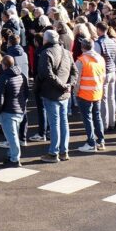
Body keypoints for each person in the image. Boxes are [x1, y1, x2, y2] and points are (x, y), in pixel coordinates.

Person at [37, 29, 77, 163]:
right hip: (65, 94)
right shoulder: (66, 52)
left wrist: (62, 85)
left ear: (46, 40)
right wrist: (69, 85)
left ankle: (53, 153)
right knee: (63, 122)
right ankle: (64, 151)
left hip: (52, 93)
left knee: (54, 124)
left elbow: (47, 74)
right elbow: (74, 71)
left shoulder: (46, 53)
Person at [73, 37, 106, 152]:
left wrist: (75, 92)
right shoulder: (100, 59)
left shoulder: (81, 60)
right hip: (97, 92)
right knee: (97, 117)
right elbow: (103, 76)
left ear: (82, 48)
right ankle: (101, 141)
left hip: (84, 93)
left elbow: (76, 80)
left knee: (87, 119)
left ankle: (91, 143)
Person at [0, 54, 28, 165]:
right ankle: (11, 154)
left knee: (12, 137)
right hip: (20, 110)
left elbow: (0, 97)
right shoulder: (21, 75)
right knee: (14, 135)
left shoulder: (4, 77)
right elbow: (26, 92)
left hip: (8, 111)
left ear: (4, 65)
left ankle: (15, 159)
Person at [95, 25, 116, 130]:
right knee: (111, 98)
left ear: (99, 30)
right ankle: (112, 122)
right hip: (112, 71)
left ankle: (104, 124)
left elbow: (96, 60)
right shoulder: (113, 42)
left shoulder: (98, 43)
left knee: (103, 99)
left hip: (104, 72)